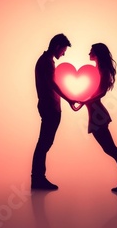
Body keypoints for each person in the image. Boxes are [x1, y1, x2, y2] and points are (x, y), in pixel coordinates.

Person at [76, 43, 117, 191]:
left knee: (111, 148)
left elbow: (102, 93)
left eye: (91, 51)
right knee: (108, 148)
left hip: (98, 113)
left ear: (97, 53)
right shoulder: (96, 70)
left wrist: (86, 100)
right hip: (94, 112)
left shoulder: (103, 70)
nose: (88, 53)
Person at [31, 33, 76, 190]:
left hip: (50, 106)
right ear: (57, 46)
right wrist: (69, 99)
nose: (63, 54)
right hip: (50, 107)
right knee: (44, 143)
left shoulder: (46, 61)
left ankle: (38, 178)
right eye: (63, 50)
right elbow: (52, 84)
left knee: (45, 143)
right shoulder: (47, 62)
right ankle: (38, 179)